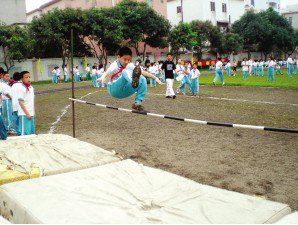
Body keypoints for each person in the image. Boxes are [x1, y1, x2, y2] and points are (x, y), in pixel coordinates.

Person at [97, 46, 163, 111]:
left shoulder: (129, 65)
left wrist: (155, 77)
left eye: (129, 60)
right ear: (119, 57)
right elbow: (108, 72)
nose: (127, 62)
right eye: (125, 59)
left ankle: (137, 104)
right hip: (113, 89)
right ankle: (133, 82)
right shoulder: (115, 65)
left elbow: (142, 72)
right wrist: (102, 77)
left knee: (142, 78)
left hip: (124, 92)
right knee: (125, 71)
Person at [18, 71, 35, 135]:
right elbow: (20, 102)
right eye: (26, 77)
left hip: (31, 113)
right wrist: (27, 114)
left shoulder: (31, 88)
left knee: (31, 133)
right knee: (25, 134)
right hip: (24, 114)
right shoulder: (21, 88)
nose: (28, 79)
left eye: (29, 77)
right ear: (22, 79)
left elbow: (31, 101)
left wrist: (33, 112)